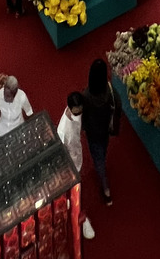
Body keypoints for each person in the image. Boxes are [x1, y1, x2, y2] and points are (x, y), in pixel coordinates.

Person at [57, 94, 97, 240]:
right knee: (74, 193)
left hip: (77, 156)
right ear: (70, 108)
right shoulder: (62, 130)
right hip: (69, 166)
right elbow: (60, 154)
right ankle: (81, 217)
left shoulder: (78, 113)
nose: (80, 112)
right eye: (77, 110)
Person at [81, 59, 119, 205]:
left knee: (98, 160)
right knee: (102, 150)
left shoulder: (87, 96)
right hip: (105, 130)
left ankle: (106, 189)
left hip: (93, 132)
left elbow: (83, 116)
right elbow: (118, 105)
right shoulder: (109, 92)